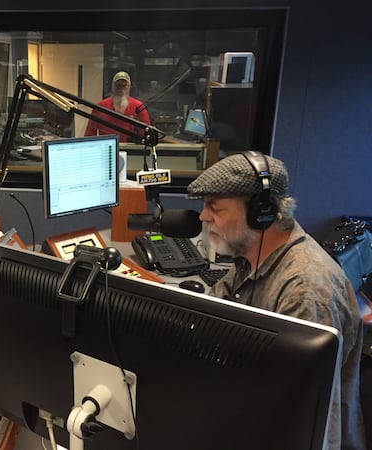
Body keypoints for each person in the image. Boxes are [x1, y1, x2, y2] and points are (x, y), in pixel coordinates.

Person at [187, 151, 366, 450]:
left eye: (214, 208)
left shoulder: (305, 291)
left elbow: (297, 412)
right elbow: (210, 319)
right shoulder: (250, 259)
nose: (204, 217)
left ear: (261, 213)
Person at [84, 71, 150, 142]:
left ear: (129, 86)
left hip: (130, 148)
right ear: (112, 86)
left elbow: (146, 134)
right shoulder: (101, 106)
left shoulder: (138, 107)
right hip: (107, 148)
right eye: (118, 85)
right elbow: (89, 133)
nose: (120, 88)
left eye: (124, 85)